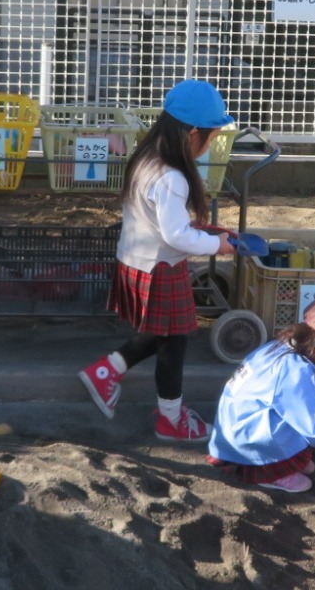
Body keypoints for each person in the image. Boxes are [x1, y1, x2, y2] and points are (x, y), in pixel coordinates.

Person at [79, 80, 237, 441]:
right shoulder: (172, 176)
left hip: (138, 259)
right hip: (161, 266)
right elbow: (176, 235)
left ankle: (107, 371)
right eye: (211, 137)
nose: (211, 144)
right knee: (175, 340)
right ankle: (171, 418)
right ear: (193, 133)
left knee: (167, 334)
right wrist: (218, 246)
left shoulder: (147, 158)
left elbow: (163, 221)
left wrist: (206, 231)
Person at [205, 297, 315, 493]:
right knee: (305, 477)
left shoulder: (284, 347)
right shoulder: (295, 373)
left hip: (236, 428)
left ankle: (276, 464)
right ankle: (268, 473)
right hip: (249, 439)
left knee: (308, 464)